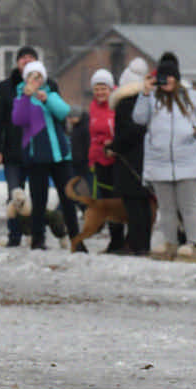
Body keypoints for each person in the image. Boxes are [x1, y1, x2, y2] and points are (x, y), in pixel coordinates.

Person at [132, 56, 196, 258]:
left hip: (188, 162)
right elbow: (138, 118)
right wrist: (144, 93)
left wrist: (194, 130)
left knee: (188, 206)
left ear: (176, 78)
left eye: (169, 76)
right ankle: (170, 241)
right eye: (162, 76)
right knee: (166, 208)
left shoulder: (191, 97)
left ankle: (193, 242)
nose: (165, 80)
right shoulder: (151, 98)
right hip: (159, 163)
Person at [0, 46, 58, 247]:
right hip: (12, 151)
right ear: (17, 62)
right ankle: (14, 235)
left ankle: (38, 236)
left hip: (39, 152)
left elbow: (57, 116)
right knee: (14, 194)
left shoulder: (48, 85)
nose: (26, 61)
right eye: (22, 58)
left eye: (31, 58)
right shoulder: (5, 87)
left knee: (39, 196)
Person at [11, 60, 80, 250]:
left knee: (67, 198)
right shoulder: (20, 97)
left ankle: (76, 238)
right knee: (39, 201)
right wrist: (26, 97)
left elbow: (64, 112)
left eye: (39, 77)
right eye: (32, 77)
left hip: (59, 155)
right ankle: (38, 239)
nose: (36, 81)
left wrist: (46, 99)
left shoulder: (50, 93)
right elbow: (18, 119)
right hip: (36, 156)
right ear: (26, 80)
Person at [110, 58, 151, 255]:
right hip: (149, 158)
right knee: (144, 203)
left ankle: (136, 244)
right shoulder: (148, 100)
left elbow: (127, 133)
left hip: (129, 160)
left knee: (133, 205)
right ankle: (144, 244)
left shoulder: (125, 103)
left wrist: (113, 146)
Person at [87, 68, 125, 253]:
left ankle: (122, 239)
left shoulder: (117, 104)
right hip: (100, 160)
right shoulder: (93, 107)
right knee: (106, 203)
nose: (100, 93)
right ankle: (114, 240)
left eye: (103, 88)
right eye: (97, 89)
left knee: (118, 202)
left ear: (111, 89)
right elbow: (92, 135)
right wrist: (92, 157)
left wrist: (114, 145)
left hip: (116, 160)